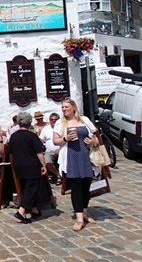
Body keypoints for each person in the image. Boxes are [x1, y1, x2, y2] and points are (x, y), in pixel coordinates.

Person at [53, 98, 99, 232]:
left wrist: (93, 142)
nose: (64, 109)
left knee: (86, 187)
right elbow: (55, 141)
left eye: (66, 107)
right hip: (71, 158)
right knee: (76, 188)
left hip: (86, 158)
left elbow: (96, 138)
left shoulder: (84, 120)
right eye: (62, 107)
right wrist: (65, 138)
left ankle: (85, 213)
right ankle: (79, 219)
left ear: (74, 108)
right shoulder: (61, 123)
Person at [7, 112, 46, 224]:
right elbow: (39, 152)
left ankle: (34, 209)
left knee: (26, 188)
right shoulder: (32, 136)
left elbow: (10, 151)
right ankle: (21, 211)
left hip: (18, 165)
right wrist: (43, 165)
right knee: (31, 189)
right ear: (29, 123)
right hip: (31, 165)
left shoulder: (14, 136)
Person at [40, 113, 62, 185]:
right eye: (51, 119)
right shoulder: (46, 129)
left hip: (61, 150)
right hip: (49, 151)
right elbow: (41, 140)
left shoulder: (62, 128)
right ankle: (58, 176)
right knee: (47, 161)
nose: (53, 121)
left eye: (55, 119)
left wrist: (59, 149)